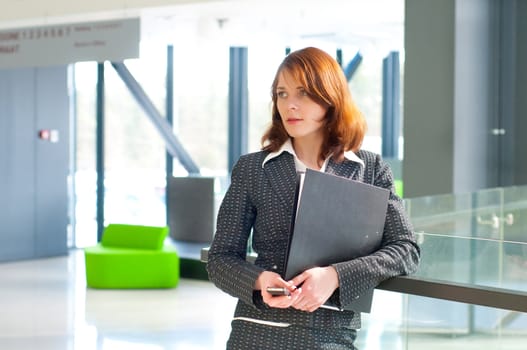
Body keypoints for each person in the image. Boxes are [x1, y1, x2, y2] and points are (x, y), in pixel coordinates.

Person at [206, 46, 420, 350]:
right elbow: (220, 259)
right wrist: (259, 280)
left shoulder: (369, 169)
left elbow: (406, 250)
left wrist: (335, 276)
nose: (290, 105)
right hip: (257, 331)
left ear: (331, 97)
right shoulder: (253, 168)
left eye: (303, 93)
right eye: (282, 94)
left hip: (331, 335)